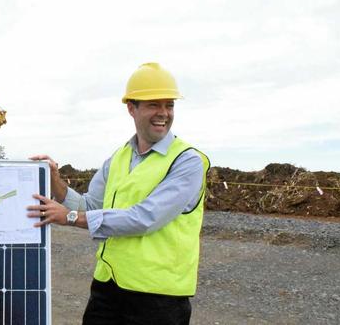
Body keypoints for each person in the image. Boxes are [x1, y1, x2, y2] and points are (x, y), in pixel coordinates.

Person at [28, 62, 210, 325]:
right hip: (108, 288)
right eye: (153, 105)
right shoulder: (119, 157)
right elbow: (90, 204)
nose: (164, 113)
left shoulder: (187, 161)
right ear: (131, 108)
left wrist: (68, 217)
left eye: (169, 105)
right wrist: (56, 182)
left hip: (158, 299)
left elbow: (145, 218)